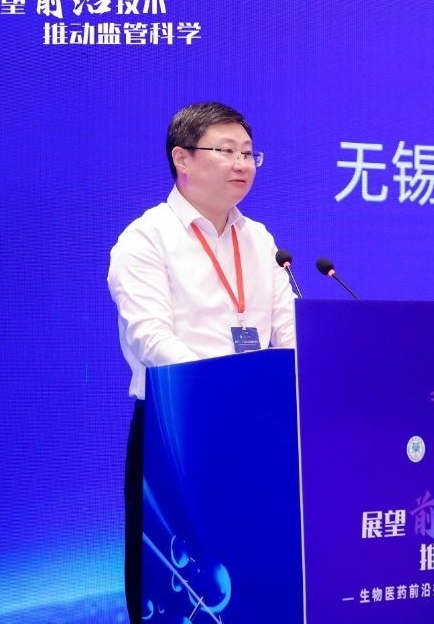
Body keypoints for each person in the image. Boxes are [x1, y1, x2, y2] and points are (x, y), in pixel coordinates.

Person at [107, 102, 296, 623]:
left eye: (249, 153)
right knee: (178, 591)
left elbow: (288, 334)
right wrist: (218, 392)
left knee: (258, 575)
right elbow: (150, 338)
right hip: (177, 434)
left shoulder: (260, 240)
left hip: (259, 432)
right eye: (226, 151)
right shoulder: (145, 239)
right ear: (182, 159)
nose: (242, 164)